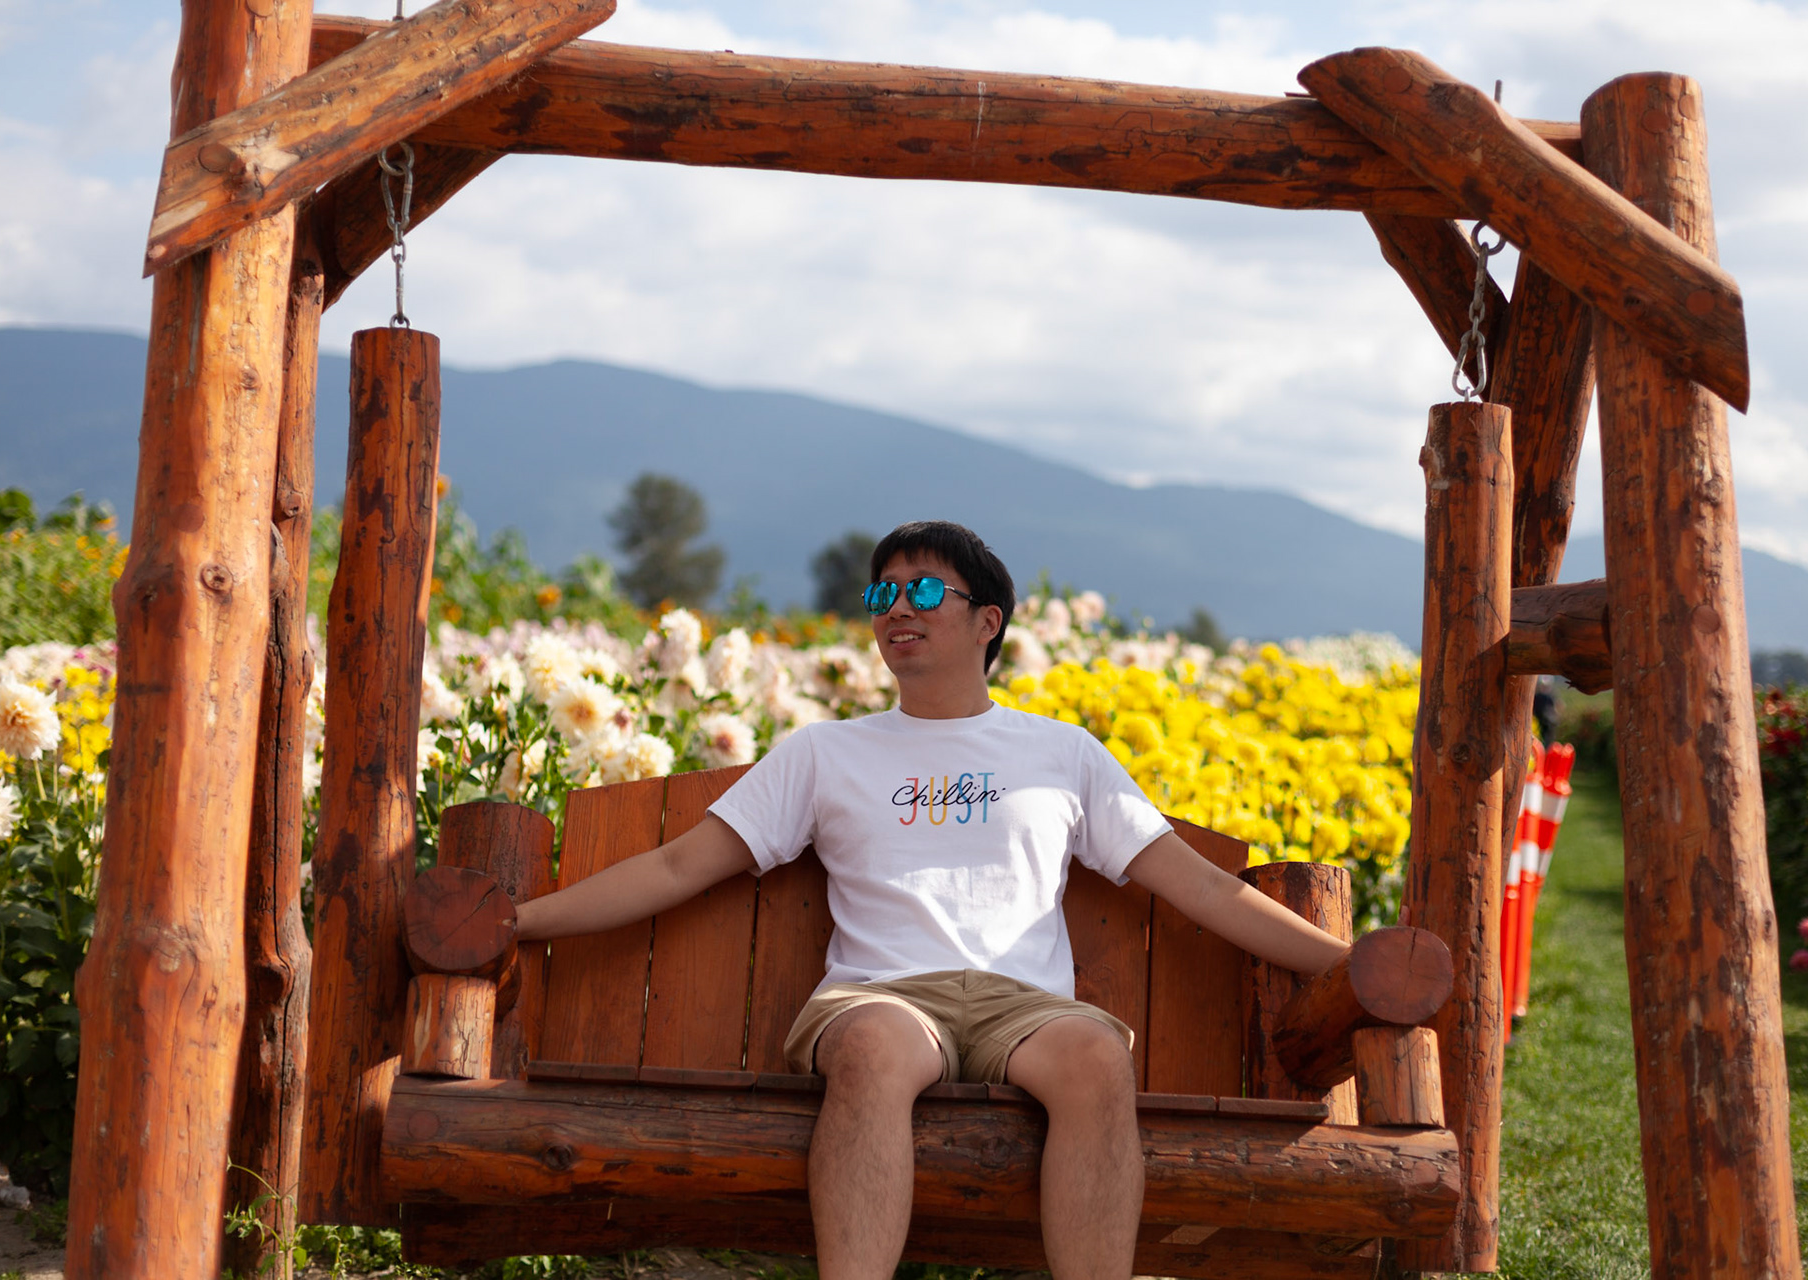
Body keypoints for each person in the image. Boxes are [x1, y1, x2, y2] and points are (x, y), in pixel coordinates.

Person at [517, 520, 1350, 1280]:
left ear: (988, 621)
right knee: (872, 1049)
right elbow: (677, 867)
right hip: (881, 995)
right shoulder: (825, 753)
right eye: (881, 593)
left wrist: (1351, 967)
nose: (896, 609)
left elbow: (1202, 884)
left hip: (1024, 1007)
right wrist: (521, 923)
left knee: (1098, 1058)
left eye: (921, 589)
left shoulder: (1062, 754)